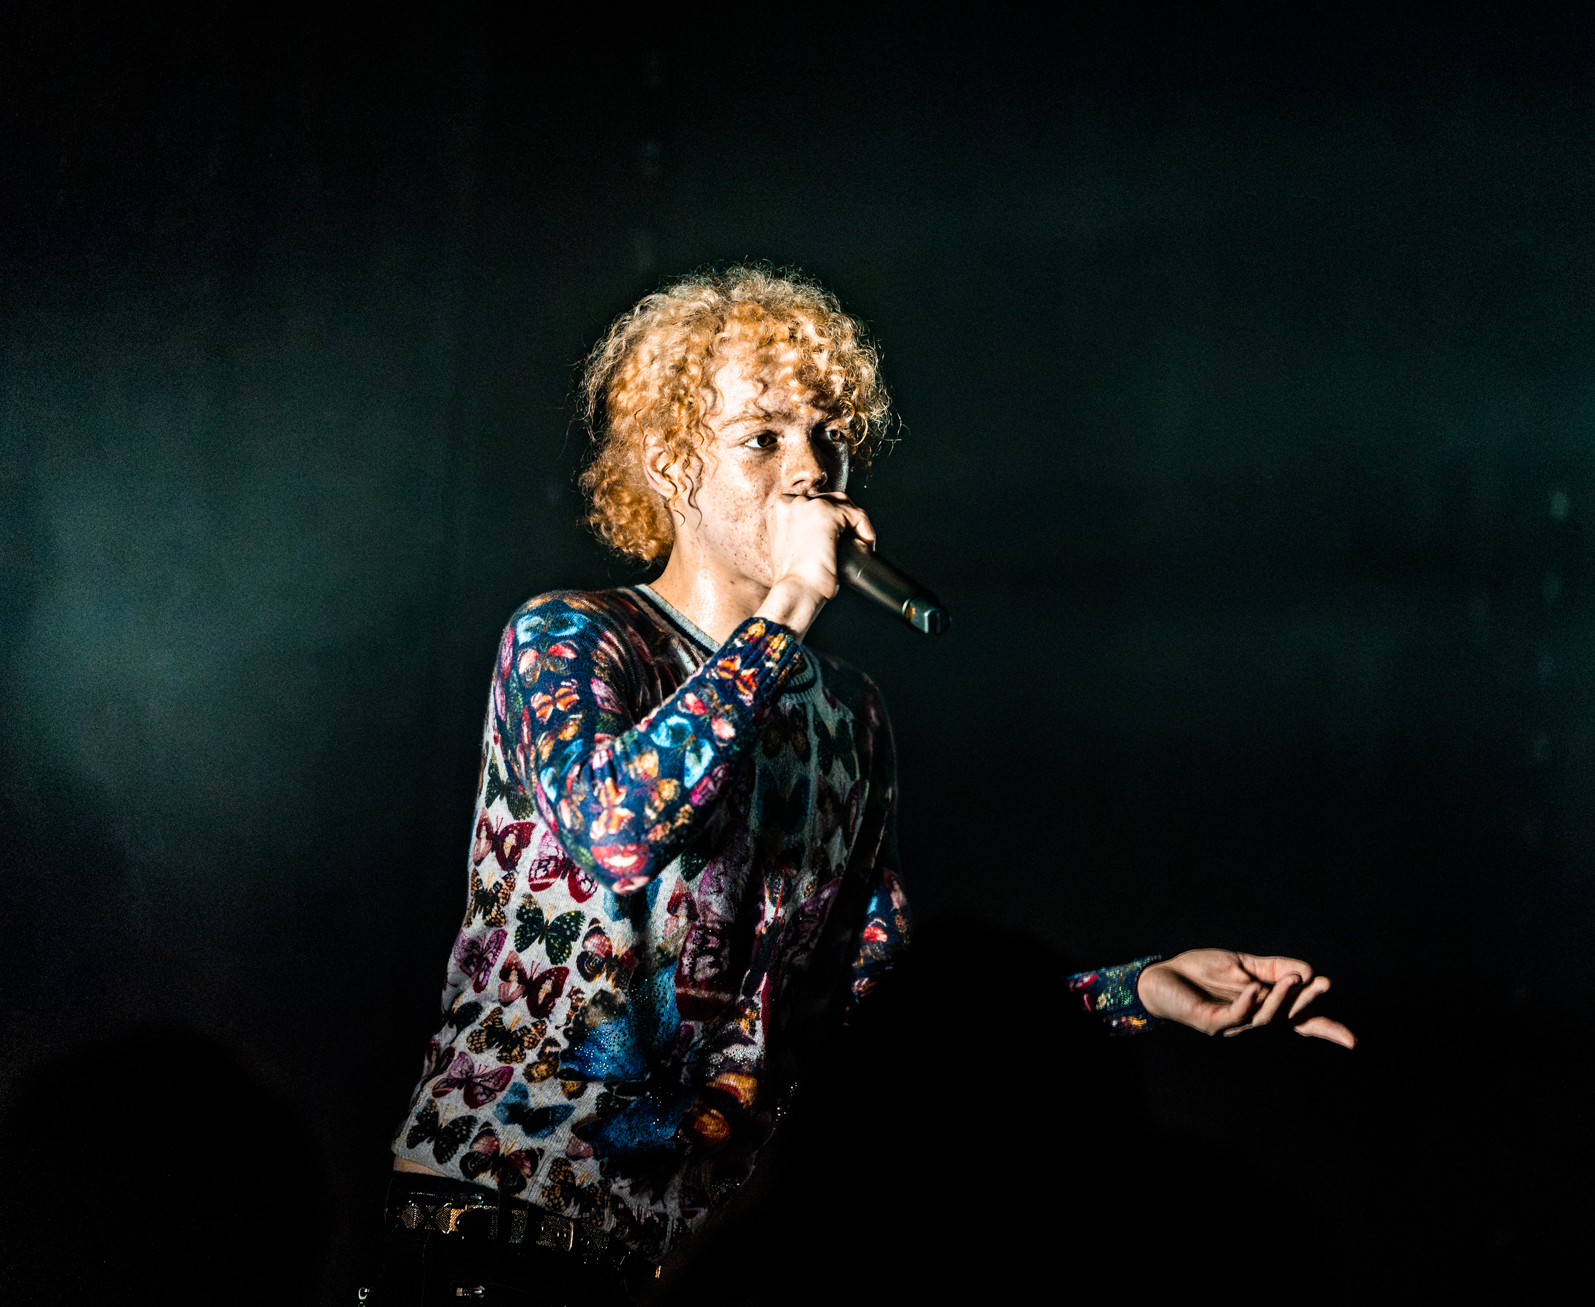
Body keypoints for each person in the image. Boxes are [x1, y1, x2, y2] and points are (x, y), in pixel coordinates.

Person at [373, 264, 1354, 1303]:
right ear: (668, 464)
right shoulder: (572, 636)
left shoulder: (847, 714)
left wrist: (1134, 991)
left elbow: (872, 1016)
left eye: (826, 436)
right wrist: (794, 597)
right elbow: (615, 831)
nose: (810, 470)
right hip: (504, 1223)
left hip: (691, 1252)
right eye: (761, 438)